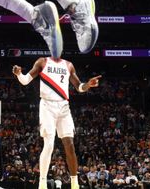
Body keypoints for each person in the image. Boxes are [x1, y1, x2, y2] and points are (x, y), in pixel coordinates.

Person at [12, 56, 101, 189]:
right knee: (49, 144)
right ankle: (42, 183)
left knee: (70, 144)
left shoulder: (69, 65)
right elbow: (25, 81)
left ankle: (74, 183)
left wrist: (88, 84)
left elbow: (79, 87)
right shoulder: (42, 62)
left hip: (64, 106)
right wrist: (19, 74)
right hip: (47, 105)